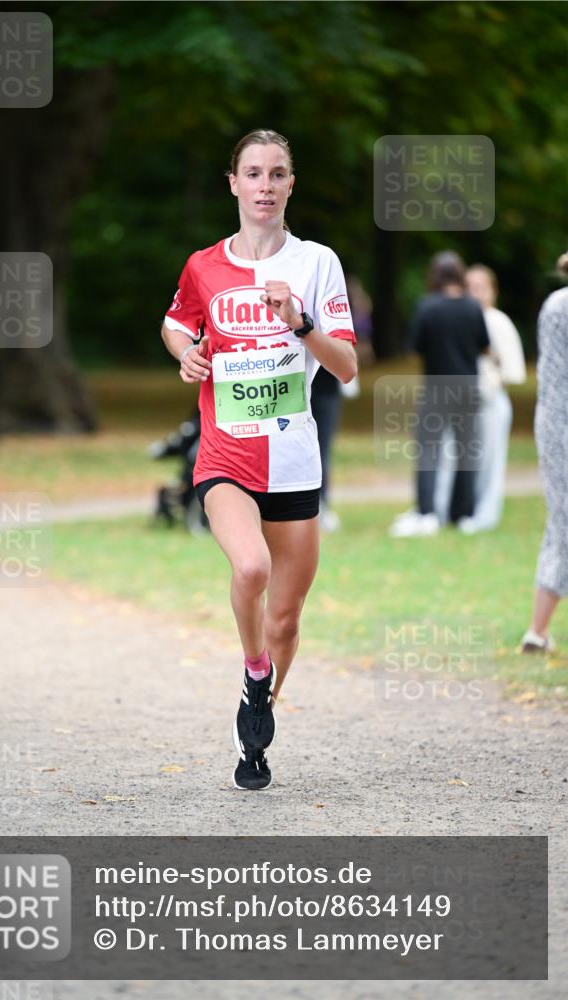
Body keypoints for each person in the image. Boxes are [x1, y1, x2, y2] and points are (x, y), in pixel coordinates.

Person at [161, 129, 357, 789]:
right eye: (253, 173)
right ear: (234, 184)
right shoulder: (202, 265)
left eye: (277, 174)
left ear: (289, 185)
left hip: (294, 461)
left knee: (287, 616)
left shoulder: (317, 263)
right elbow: (176, 320)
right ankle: (254, 672)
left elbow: (348, 367)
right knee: (251, 568)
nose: (265, 185)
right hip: (224, 454)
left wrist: (301, 323)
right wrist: (184, 351)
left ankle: (255, 736)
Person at [390, 251, 489, 538]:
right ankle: (464, 514)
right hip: (469, 387)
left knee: (428, 451)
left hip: (436, 387)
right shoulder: (473, 307)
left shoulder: (427, 307)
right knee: (467, 451)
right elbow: (484, 346)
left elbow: (413, 348)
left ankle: (427, 512)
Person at [434, 264, 527, 531]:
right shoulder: (461, 318)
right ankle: (449, 510)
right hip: (462, 403)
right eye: (470, 287)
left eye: (480, 288)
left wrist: (486, 383)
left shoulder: (498, 321)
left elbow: (513, 369)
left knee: (489, 462)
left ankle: (484, 515)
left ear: (492, 291)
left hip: (489, 403)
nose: (474, 293)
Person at [520, 253, 568, 653]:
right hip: (559, 425)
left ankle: (538, 630)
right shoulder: (560, 307)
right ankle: (537, 629)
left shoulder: (555, 306)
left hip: (552, 425)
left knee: (561, 521)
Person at [310, 275, 371, 533]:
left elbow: (357, 352)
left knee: (321, 449)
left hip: (326, 391)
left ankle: (321, 504)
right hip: (301, 390)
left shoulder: (341, 315)